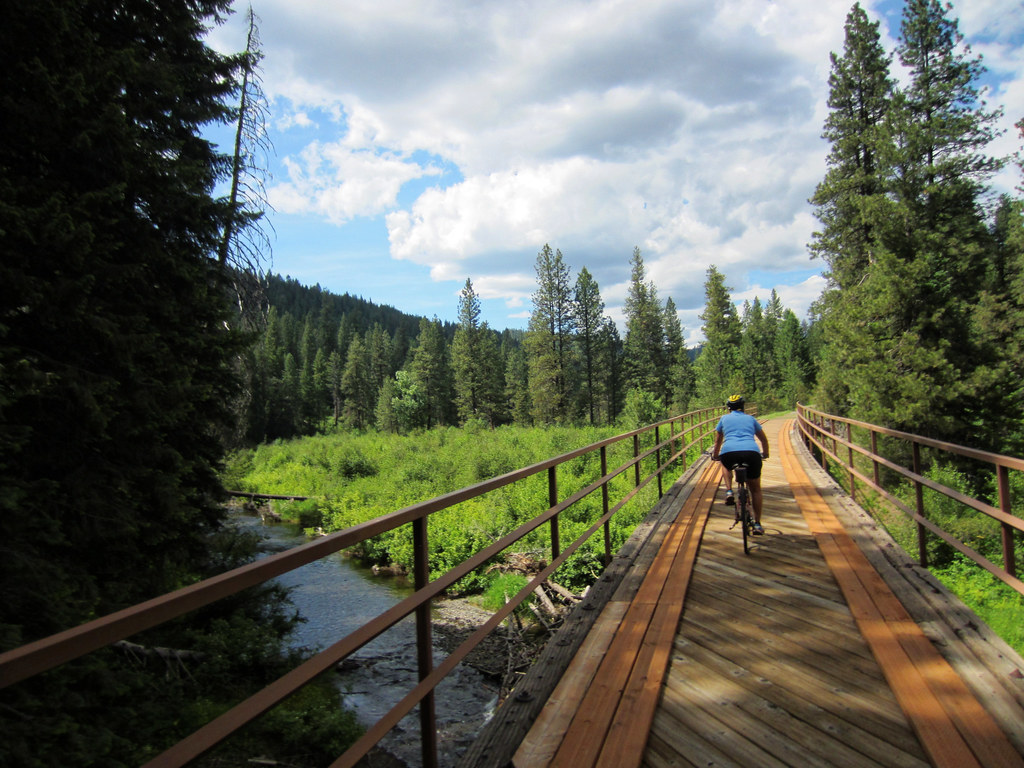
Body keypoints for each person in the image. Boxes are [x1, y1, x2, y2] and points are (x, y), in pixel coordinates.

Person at [712, 395, 770, 534]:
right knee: (755, 489)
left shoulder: (724, 419)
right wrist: (765, 454)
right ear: (743, 406)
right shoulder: (751, 419)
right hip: (751, 453)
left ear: (728, 408)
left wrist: (715, 455)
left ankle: (729, 490)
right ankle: (757, 524)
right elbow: (763, 440)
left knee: (724, 463)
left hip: (729, 453)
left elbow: (718, 441)